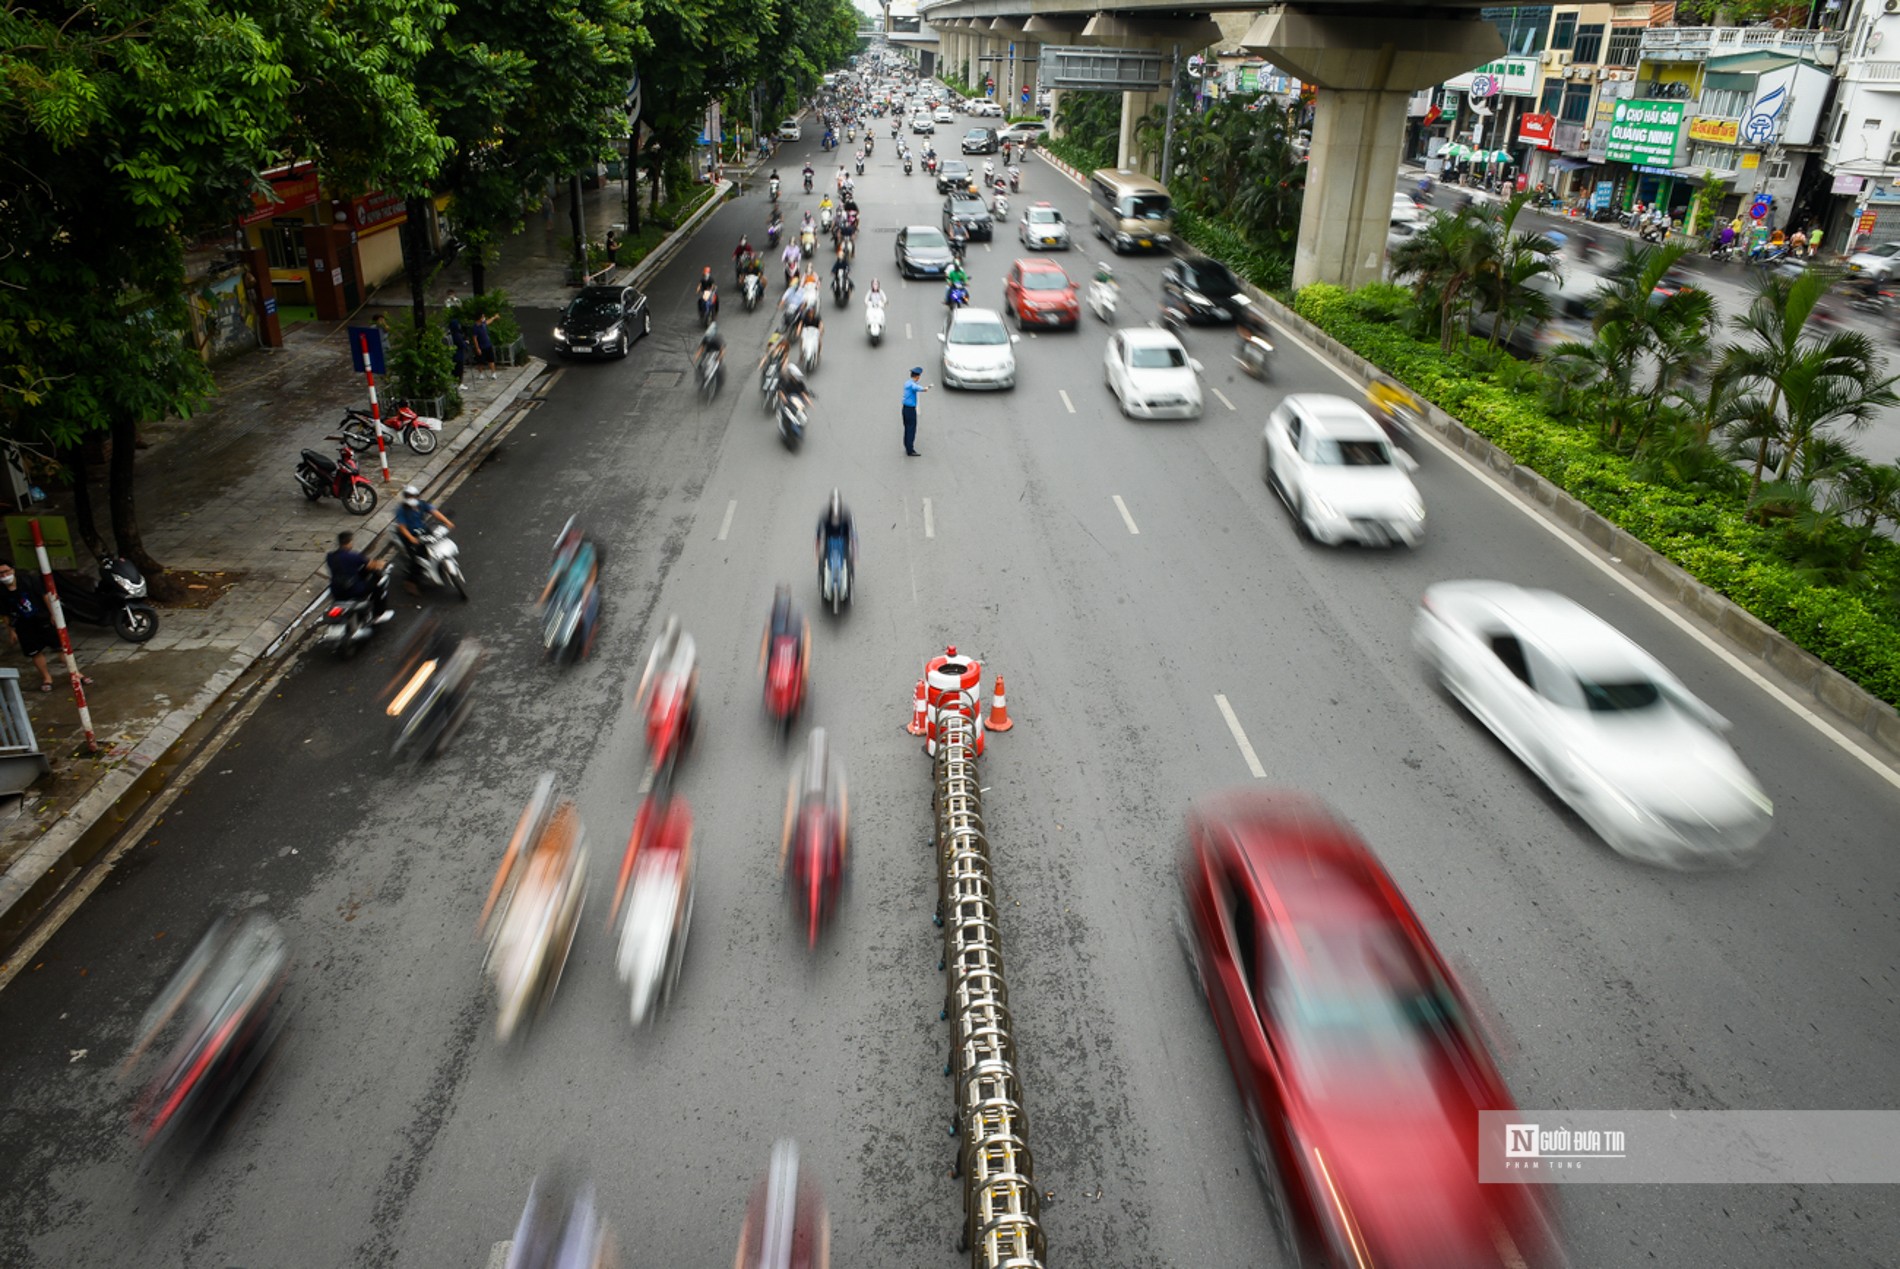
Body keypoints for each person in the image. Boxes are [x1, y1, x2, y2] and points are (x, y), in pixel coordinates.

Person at [0, 562, 74, 691]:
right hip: (23, 626)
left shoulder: (28, 581)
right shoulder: (1, 592)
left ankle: (75, 673)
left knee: (60, 648)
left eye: (7, 571)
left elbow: (45, 596)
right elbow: (5, 614)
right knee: (35, 653)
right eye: (1, 574)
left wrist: (53, 614)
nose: (5, 575)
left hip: (43, 620)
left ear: (13, 570)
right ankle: (47, 678)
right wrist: (10, 631)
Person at [324, 530, 393, 624]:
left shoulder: (330, 557)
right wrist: (382, 563)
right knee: (377, 588)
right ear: (349, 542)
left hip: (336, 591)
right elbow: (371, 565)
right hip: (353, 590)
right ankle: (379, 614)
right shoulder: (353, 556)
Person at [757, 584, 811, 703]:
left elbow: (806, 634)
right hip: (777, 650)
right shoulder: (771, 614)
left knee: (804, 674)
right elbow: (766, 638)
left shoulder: (797, 613)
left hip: (793, 649)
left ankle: (802, 692)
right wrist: (762, 662)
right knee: (770, 671)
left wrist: (805, 668)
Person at [394, 485, 455, 586]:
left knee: (436, 543)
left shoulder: (422, 504)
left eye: (414, 496)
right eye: (409, 496)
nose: (412, 498)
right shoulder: (401, 510)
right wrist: (411, 538)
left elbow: (434, 512)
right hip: (409, 536)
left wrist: (447, 522)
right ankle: (410, 582)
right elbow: (402, 528)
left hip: (423, 530)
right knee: (416, 558)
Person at [815, 490, 857, 582]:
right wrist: (818, 555)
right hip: (828, 538)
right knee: (822, 564)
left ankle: (850, 581)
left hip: (844, 538)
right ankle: (822, 582)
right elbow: (818, 536)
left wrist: (854, 555)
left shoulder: (847, 513)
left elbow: (853, 536)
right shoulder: (824, 515)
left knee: (849, 564)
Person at [900, 366, 927, 457]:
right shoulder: (912, 385)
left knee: (907, 428)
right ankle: (910, 450)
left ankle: (907, 445)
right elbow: (917, 388)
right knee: (911, 429)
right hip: (910, 411)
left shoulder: (907, 382)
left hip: (905, 409)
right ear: (917, 377)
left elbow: (915, 385)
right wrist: (925, 388)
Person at [472, 314, 498, 380]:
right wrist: (477, 348)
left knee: (491, 360)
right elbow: (474, 339)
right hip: (481, 347)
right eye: (483, 317)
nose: (484, 318)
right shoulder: (475, 327)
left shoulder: (483, 324)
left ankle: (493, 373)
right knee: (480, 361)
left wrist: (494, 317)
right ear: (479, 318)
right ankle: (480, 374)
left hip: (488, 345)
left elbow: (488, 321)